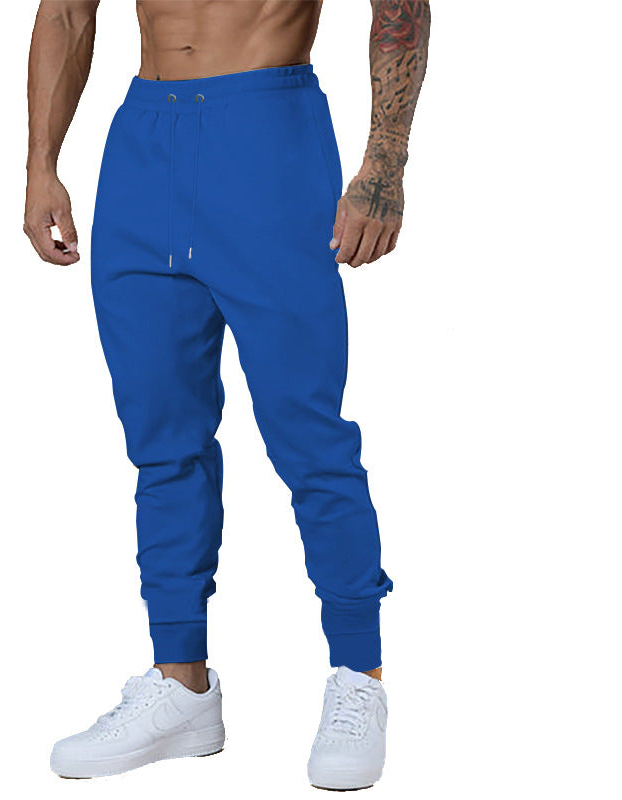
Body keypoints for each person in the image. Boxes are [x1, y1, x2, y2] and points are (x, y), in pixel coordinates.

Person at [24, 0, 430, 790]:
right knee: (161, 437)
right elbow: (68, 11)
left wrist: (384, 166)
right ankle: (181, 686)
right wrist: (42, 164)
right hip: (143, 145)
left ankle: (359, 675)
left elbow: (400, 6)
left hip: (268, 136)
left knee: (307, 434)